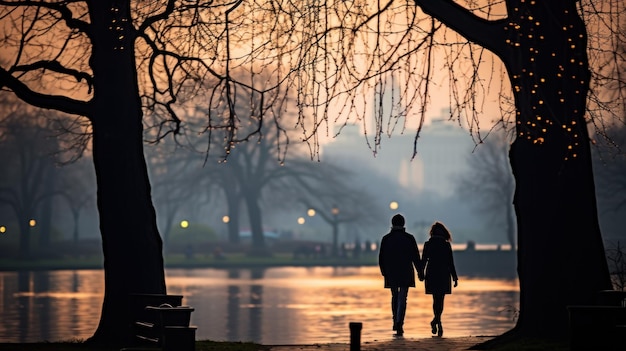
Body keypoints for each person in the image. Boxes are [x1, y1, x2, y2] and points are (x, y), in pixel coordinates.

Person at [378, 214, 424, 336]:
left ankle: (395, 319)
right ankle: (400, 322)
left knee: (394, 296)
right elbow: (415, 256)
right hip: (405, 271)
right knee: (403, 297)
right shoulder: (409, 238)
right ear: (403, 224)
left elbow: (382, 257)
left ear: (392, 223)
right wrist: (420, 271)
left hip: (391, 272)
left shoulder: (386, 239)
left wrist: (384, 272)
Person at [422, 221, 458, 337]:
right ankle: (437, 321)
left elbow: (423, 261)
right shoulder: (446, 245)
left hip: (432, 273)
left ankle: (437, 321)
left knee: (435, 299)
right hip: (443, 273)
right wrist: (455, 277)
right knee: (440, 300)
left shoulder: (428, 244)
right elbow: (450, 263)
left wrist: (420, 274)